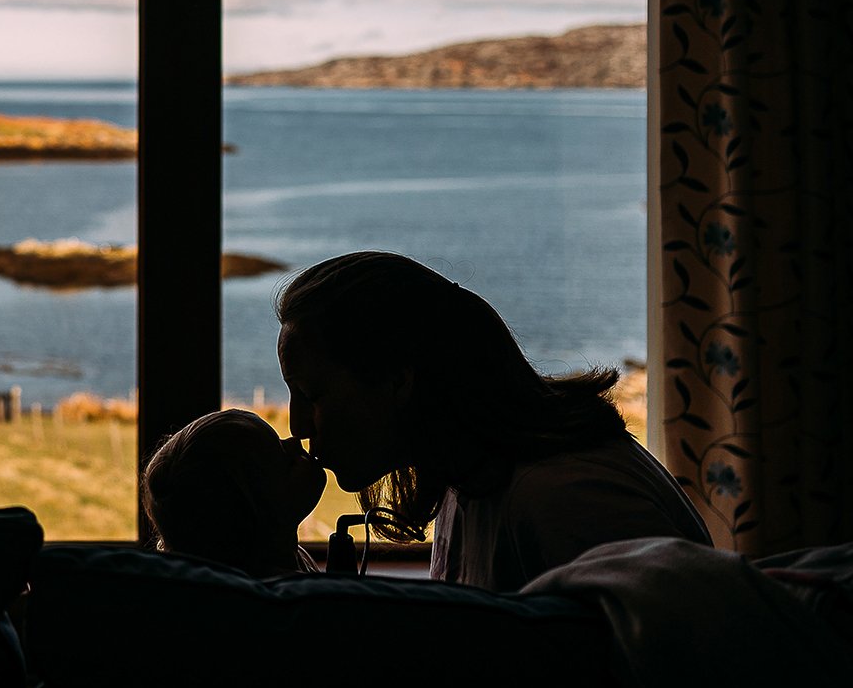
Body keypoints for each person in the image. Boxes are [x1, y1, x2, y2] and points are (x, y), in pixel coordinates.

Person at [276, 250, 709, 591]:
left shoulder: (567, 500)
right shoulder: (471, 480)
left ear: (396, 381)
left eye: (313, 395)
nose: (299, 427)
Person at [141, 408, 326, 576]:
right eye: (282, 458)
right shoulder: (283, 592)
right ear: (258, 511)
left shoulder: (288, 554)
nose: (294, 442)